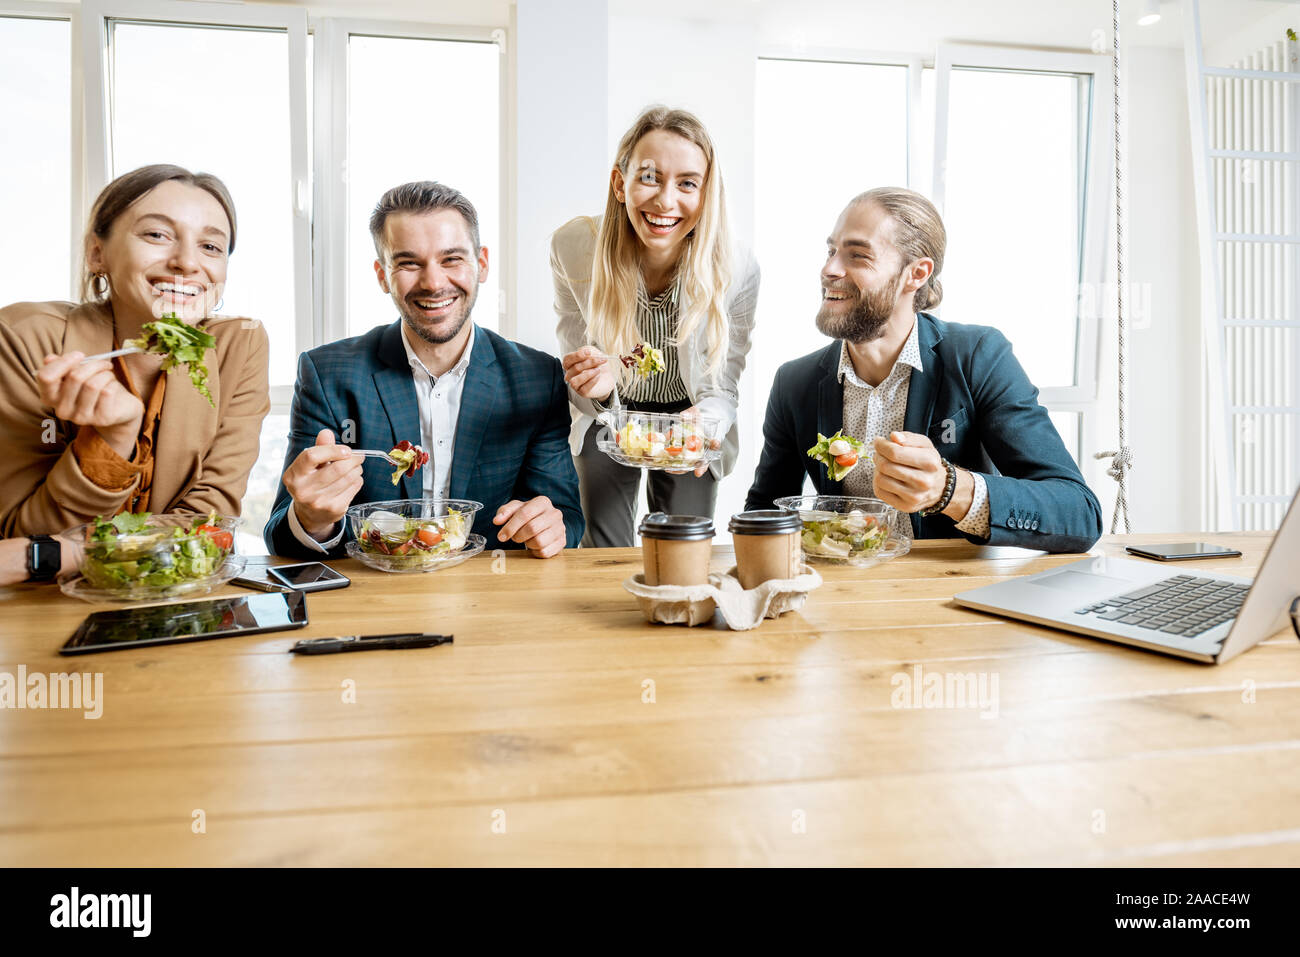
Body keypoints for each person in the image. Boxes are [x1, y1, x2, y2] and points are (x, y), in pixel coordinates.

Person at [746, 187, 1102, 553]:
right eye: (831, 250)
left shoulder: (979, 356)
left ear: (916, 274)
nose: (829, 269)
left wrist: (949, 491)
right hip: (841, 592)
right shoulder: (794, 383)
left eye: (857, 255)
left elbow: (1079, 512)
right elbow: (762, 513)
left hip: (951, 595)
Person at [264, 181, 583, 559]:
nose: (433, 283)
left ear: (481, 264)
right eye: (409, 263)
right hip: (373, 600)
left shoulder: (537, 377)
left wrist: (548, 526)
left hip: (490, 595)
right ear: (383, 275)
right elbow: (280, 534)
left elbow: (566, 517)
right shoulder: (327, 373)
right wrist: (312, 519)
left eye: (451, 259)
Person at [0, 164, 270, 538]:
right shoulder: (22, 337)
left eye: (210, 246)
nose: (188, 263)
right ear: (97, 254)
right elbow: (20, 534)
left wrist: (71, 552)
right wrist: (110, 439)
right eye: (157, 235)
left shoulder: (240, 343)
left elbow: (208, 525)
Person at [551, 105, 760, 547]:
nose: (666, 201)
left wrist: (706, 424)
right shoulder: (574, 249)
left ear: (706, 195)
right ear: (620, 184)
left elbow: (723, 386)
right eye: (649, 176)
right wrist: (598, 387)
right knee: (601, 544)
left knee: (684, 545)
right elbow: (577, 378)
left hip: (690, 412)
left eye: (687, 183)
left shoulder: (737, 267)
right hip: (612, 413)